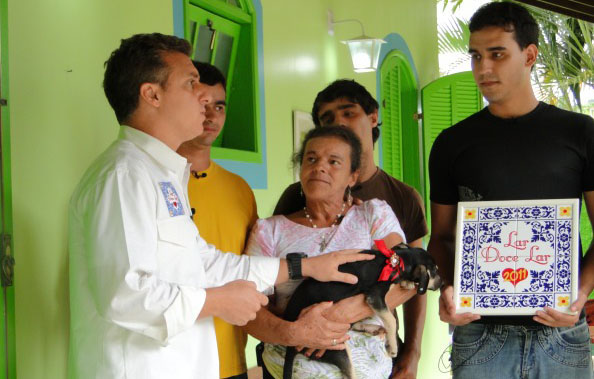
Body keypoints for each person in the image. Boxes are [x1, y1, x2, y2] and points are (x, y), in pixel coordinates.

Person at [68, 33, 373, 379]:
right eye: (190, 83)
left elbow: (205, 262)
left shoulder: (163, 175)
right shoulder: (124, 175)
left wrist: (304, 267)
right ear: (152, 94)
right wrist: (218, 302)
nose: (203, 96)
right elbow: (123, 294)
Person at [428, 3, 594, 378]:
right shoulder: (452, 143)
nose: (483, 68)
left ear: (530, 55)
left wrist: (579, 295)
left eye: (497, 54)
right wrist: (449, 292)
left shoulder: (580, 133)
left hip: (562, 334)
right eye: (475, 56)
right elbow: (441, 236)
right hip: (480, 335)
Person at [273, 79, 428, 378]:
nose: (339, 123)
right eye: (328, 118)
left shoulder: (402, 197)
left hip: (373, 340)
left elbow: (415, 282)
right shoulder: (299, 194)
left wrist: (412, 352)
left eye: (348, 113)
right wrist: (297, 328)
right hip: (303, 342)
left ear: (372, 118)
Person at [246, 125, 406, 378]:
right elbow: (249, 311)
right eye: (311, 159)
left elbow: (404, 281)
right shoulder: (270, 231)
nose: (319, 167)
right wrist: (296, 332)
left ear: (353, 176)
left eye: (333, 162)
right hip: (292, 366)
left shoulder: (373, 215)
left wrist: (337, 316)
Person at [177, 61, 254, 379]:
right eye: (202, 104)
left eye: (218, 106)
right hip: (174, 362)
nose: (211, 116)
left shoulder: (239, 189)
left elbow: (251, 266)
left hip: (229, 359)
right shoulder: (155, 184)